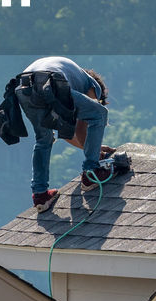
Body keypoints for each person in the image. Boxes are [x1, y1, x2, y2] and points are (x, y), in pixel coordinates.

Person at [14, 56, 110, 212]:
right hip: (49, 81)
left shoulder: (71, 75)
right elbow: (82, 127)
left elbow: (67, 134)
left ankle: (40, 195)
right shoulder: (92, 85)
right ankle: (91, 173)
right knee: (99, 114)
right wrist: (96, 153)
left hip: (22, 86)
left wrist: (95, 148)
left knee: (43, 139)